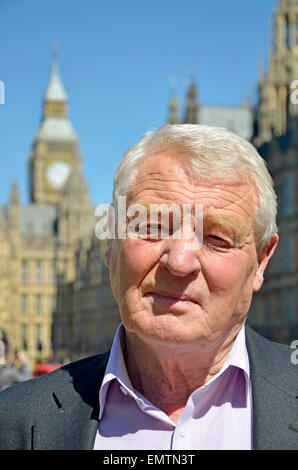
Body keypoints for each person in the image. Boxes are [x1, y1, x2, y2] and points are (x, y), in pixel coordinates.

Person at [0, 124, 297, 450]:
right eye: (153, 227)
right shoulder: (14, 422)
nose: (180, 262)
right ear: (110, 243)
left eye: (216, 238)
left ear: (261, 261)